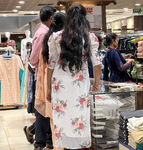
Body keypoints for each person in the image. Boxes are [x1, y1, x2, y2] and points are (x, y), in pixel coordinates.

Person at [46, 4, 101, 149]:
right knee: (79, 117)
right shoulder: (90, 38)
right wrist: (96, 84)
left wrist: (48, 90)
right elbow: (97, 64)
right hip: (80, 86)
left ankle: (66, 146)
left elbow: (50, 66)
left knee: (62, 118)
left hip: (60, 85)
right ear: (84, 18)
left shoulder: (56, 37)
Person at [23, 6, 56, 150]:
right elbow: (34, 58)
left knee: (47, 110)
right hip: (42, 77)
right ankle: (40, 142)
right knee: (43, 110)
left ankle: (42, 138)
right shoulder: (43, 33)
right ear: (51, 18)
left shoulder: (47, 32)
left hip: (47, 76)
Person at [34, 12, 66, 150]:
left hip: (47, 78)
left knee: (49, 114)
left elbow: (39, 61)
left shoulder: (48, 36)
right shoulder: (58, 38)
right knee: (55, 115)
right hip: (57, 79)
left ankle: (49, 142)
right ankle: (47, 142)